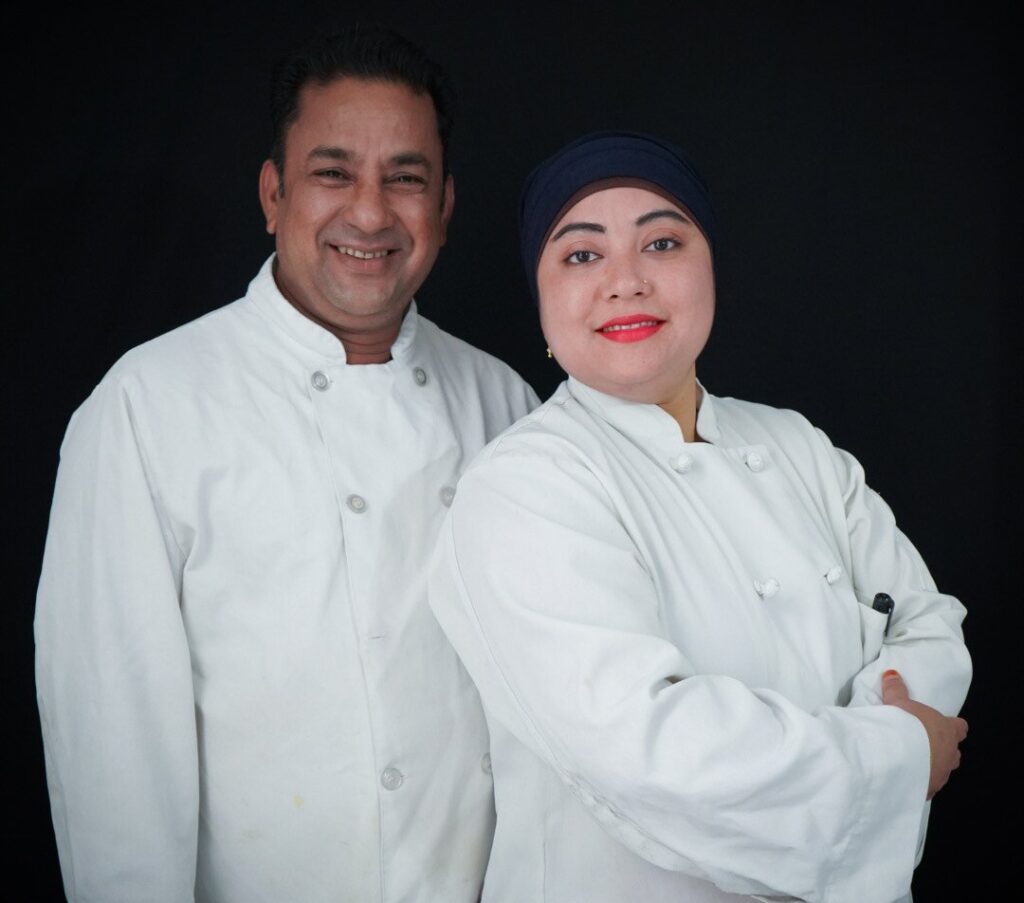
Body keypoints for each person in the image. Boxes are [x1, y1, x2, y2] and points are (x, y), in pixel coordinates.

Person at [35, 27, 537, 903]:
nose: (372, 213)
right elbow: (115, 748)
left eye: (406, 178)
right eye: (333, 172)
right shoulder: (148, 406)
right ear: (274, 193)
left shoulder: (506, 404)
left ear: (446, 206)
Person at [428, 131, 971, 903]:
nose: (626, 281)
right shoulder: (523, 488)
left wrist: (876, 752)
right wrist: (900, 753)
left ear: (710, 264)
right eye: (581, 255)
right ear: (540, 301)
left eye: (663, 241)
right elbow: (652, 754)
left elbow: (927, 623)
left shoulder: (798, 445)